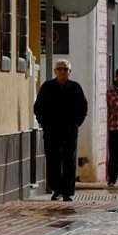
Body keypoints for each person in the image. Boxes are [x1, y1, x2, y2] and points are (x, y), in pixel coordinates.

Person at [33, 59, 88, 201]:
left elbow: (83, 107)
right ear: (55, 71)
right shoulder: (47, 87)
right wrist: (44, 122)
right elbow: (38, 107)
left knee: (69, 160)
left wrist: (77, 123)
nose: (62, 71)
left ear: (69, 72)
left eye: (65, 69)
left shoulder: (75, 87)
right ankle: (57, 189)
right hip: (52, 130)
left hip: (70, 130)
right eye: (60, 69)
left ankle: (68, 192)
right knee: (53, 159)